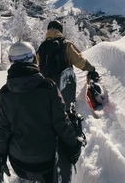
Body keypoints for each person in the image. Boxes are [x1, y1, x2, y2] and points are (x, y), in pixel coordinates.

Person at [0, 42, 83, 183]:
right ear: (33, 59)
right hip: (46, 163)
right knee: (67, 135)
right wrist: (74, 146)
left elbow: (3, 129)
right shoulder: (48, 87)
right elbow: (61, 123)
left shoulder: (4, 93)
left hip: (18, 164)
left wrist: (1, 157)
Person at [36, 20, 99, 182]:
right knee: (65, 115)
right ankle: (69, 142)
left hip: (46, 92)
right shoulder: (66, 44)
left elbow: (36, 68)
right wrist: (91, 69)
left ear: (49, 31)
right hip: (64, 90)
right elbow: (79, 61)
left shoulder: (42, 48)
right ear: (60, 30)